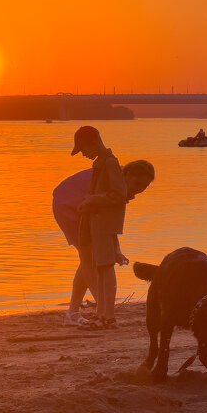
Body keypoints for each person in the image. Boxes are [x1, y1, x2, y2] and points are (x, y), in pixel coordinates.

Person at [52, 159, 155, 326]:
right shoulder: (115, 184)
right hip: (68, 204)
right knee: (89, 258)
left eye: (144, 186)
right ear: (126, 175)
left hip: (85, 205)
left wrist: (117, 250)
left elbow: (110, 223)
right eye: (136, 183)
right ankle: (102, 310)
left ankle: (74, 311)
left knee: (88, 259)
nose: (138, 189)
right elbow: (108, 220)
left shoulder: (121, 188)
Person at [69, 125, 127, 329]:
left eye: (83, 149)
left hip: (104, 222)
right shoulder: (100, 163)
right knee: (100, 269)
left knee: (105, 268)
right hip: (96, 221)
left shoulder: (110, 163)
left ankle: (107, 315)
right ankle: (101, 313)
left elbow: (119, 195)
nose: (83, 154)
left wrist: (93, 200)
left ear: (93, 143)